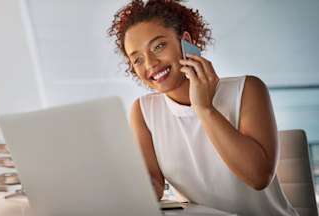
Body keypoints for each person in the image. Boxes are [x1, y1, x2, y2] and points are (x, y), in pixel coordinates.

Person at [108, 0, 298, 215]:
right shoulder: (144, 111)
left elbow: (258, 177)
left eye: (159, 46)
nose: (150, 63)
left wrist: (204, 108)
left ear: (186, 42)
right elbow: (153, 185)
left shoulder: (247, 89)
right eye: (137, 60)